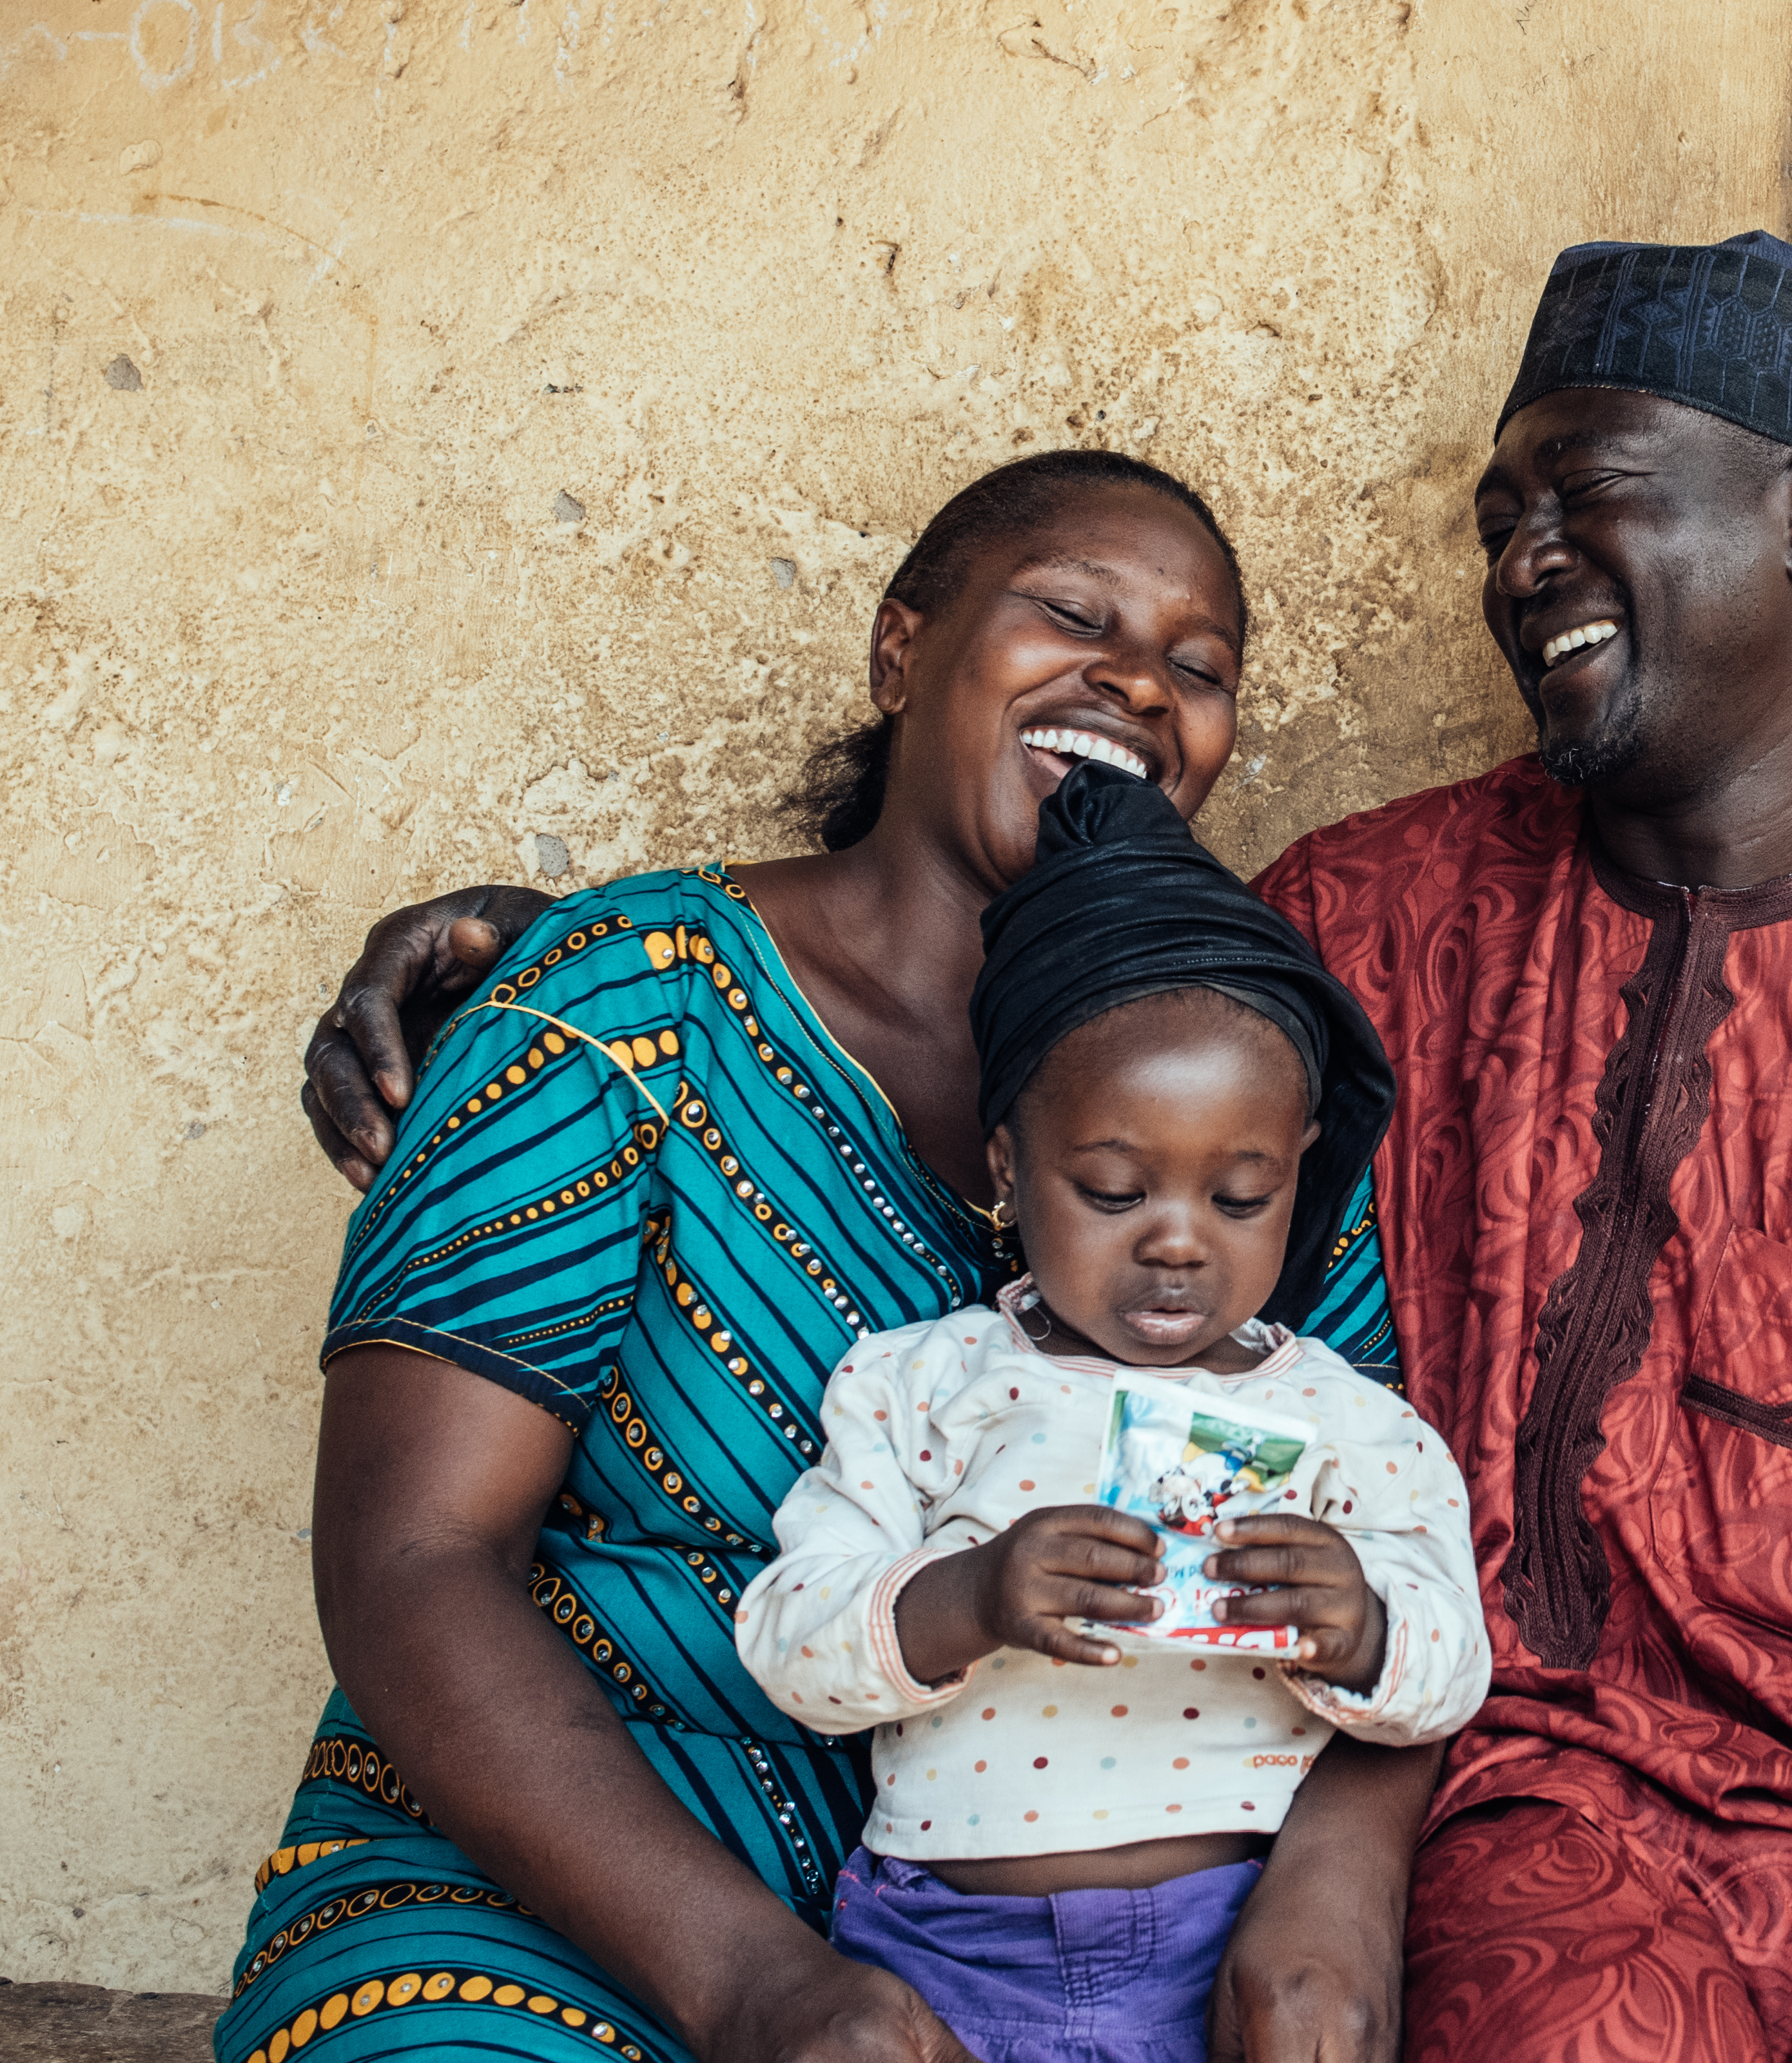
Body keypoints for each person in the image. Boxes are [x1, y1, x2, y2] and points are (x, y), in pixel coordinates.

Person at [304, 236, 1792, 2063]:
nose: (1521, 562)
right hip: (1564, 1828)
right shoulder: (1370, 929)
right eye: (1499, 517)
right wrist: (543, 963)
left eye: (1583, 497)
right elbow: (1052, 1009)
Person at [229, 452, 1437, 2063]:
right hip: (559, 1870)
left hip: (1084, 1940)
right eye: (1075, 615)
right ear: (899, 650)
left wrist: (1334, 1891)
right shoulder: (622, 1009)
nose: (1141, 683)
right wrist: (758, 1983)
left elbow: (1381, 1560)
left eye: (1198, 667)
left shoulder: (1241, 1105)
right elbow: (411, 1558)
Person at [734, 760, 1488, 2063]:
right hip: (942, 1955)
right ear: (1008, 1163)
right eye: (1113, 1190)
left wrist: (1361, 1626)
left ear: (1296, 1178)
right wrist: (969, 1596)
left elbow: (1453, 1669)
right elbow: (788, 1639)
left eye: (1239, 1199)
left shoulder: (1342, 1417)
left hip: (1227, 1950)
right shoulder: (920, 1383)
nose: (1178, 1242)